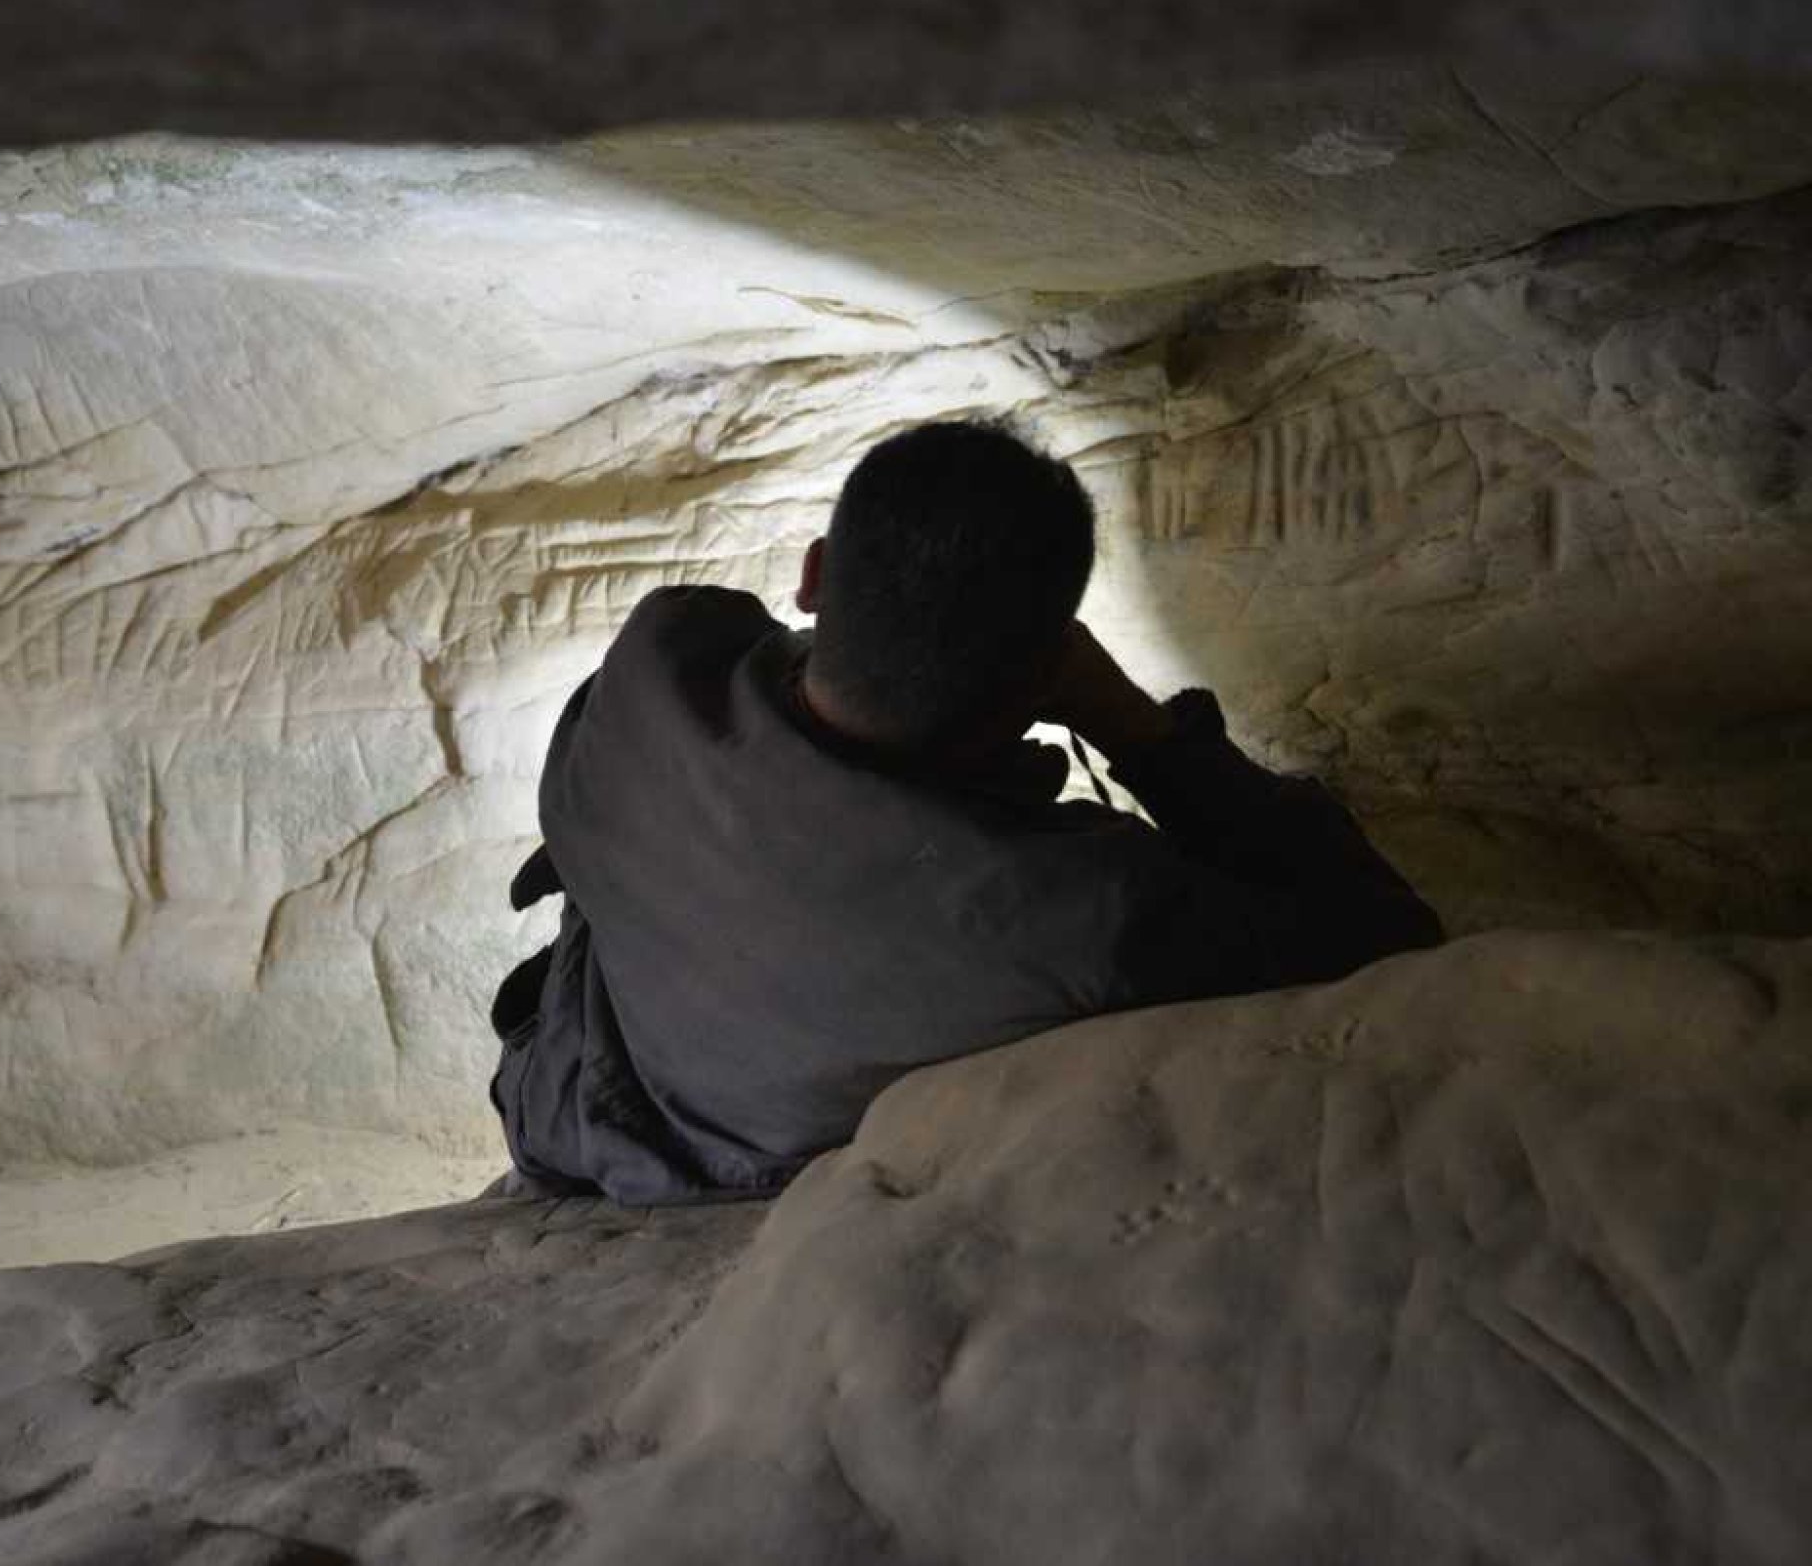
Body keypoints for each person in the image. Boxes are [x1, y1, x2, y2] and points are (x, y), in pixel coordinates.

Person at [487, 420, 1441, 1204]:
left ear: (816, 573)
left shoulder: (662, 656)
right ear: (1043, 675)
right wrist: (1138, 732)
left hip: (571, 1100)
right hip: (742, 1150)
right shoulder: (1090, 912)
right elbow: (1385, 930)